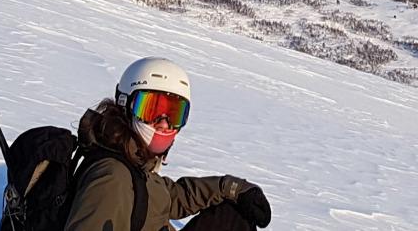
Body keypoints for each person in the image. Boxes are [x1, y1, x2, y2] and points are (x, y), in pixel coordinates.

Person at [66, 58, 272, 231]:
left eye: (174, 114)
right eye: (150, 110)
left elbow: (166, 198)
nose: (163, 124)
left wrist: (230, 188)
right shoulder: (112, 178)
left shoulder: (135, 163)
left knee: (232, 216)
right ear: (125, 105)